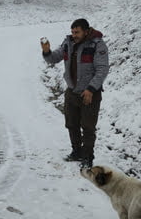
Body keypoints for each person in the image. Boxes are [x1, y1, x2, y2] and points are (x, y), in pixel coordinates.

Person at [41, 18, 109, 168]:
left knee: (88, 127)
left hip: (90, 93)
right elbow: (54, 58)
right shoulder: (68, 43)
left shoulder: (97, 45)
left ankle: (87, 158)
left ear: (86, 31)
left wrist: (91, 89)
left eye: (77, 32)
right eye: (72, 32)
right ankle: (76, 152)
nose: (74, 35)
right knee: (71, 124)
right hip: (72, 91)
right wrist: (46, 51)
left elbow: (102, 69)